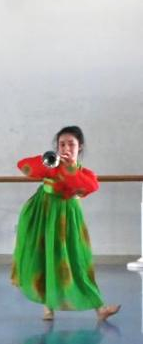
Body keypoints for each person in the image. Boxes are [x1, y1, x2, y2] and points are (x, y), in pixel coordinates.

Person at [11, 126, 119, 321]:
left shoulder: (85, 173)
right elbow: (23, 166)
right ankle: (48, 307)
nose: (66, 148)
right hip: (42, 211)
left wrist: (69, 168)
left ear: (80, 147)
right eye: (62, 144)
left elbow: (89, 186)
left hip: (67, 216)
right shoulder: (51, 165)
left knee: (77, 260)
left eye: (71, 144)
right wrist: (47, 160)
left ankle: (99, 308)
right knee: (44, 257)